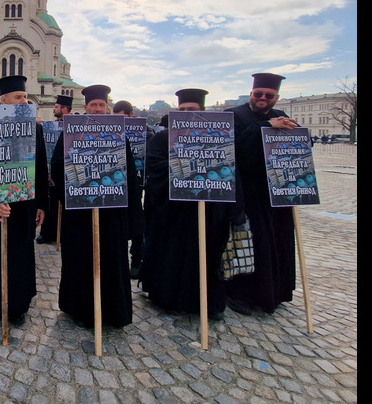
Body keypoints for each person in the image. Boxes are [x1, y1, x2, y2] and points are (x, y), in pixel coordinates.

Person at [50, 84, 142, 328]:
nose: (98, 109)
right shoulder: (71, 132)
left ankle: (112, 312)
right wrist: (73, 191)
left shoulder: (118, 133)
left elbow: (130, 174)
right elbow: (58, 165)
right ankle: (80, 310)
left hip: (113, 213)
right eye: (94, 105)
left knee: (111, 260)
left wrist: (129, 206)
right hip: (80, 212)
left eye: (102, 105)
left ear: (107, 107)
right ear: (86, 107)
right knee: (81, 261)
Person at [138, 88, 235, 320]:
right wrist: (185, 171)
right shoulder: (163, 137)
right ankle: (167, 296)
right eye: (182, 110)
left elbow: (229, 170)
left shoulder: (219, 137)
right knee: (171, 255)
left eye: (191, 110)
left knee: (205, 254)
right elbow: (154, 166)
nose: (186, 114)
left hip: (208, 210)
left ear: (202, 111)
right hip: (173, 211)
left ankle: (206, 301)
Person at [0, 76, 49, 325]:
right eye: (19, 97)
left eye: (25, 97)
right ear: (4, 101)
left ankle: (17, 305)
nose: (24, 101)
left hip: (23, 205)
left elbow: (40, 166)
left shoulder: (34, 127)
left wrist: (42, 204)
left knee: (19, 254)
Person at [225, 73, 299, 315]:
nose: (263, 99)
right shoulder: (234, 115)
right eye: (259, 94)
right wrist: (266, 127)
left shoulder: (282, 116)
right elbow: (231, 148)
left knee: (278, 241)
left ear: (276, 97)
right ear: (251, 94)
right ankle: (243, 294)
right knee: (250, 243)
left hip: (276, 193)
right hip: (248, 192)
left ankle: (275, 292)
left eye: (269, 95)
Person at [113, 99, 144, 279]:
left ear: (131, 116)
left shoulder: (144, 134)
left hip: (135, 186)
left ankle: (137, 258)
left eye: (123, 118)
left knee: (136, 221)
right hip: (116, 188)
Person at [36, 94, 72, 244]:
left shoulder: (75, 125)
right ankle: (48, 232)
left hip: (67, 173)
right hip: (53, 171)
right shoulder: (52, 124)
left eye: (56, 107)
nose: (54, 109)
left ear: (64, 109)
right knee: (51, 202)